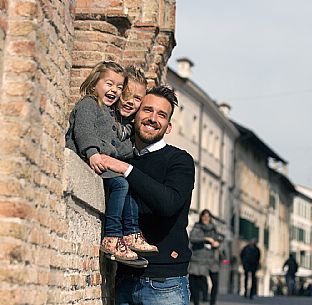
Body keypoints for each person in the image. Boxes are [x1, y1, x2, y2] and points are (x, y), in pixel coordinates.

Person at [100, 85, 196, 305]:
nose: (153, 118)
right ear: (135, 116)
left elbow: (168, 204)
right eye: (147, 110)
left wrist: (125, 169)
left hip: (166, 283)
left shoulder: (180, 160)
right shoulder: (124, 159)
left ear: (168, 126)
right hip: (124, 279)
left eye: (161, 115)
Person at [65, 62, 156, 263]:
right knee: (121, 183)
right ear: (95, 82)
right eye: (125, 93)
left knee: (130, 180)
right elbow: (85, 130)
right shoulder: (91, 104)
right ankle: (113, 235)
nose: (129, 100)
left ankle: (131, 232)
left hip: (103, 165)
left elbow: (120, 150)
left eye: (137, 98)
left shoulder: (124, 125)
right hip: (89, 160)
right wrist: (92, 152)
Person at [188, 209, 224, 305]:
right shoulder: (197, 228)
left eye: (208, 216)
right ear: (201, 217)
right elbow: (192, 238)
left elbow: (219, 238)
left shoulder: (214, 229)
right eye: (204, 216)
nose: (206, 218)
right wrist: (205, 239)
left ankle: (212, 302)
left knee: (215, 282)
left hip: (212, 260)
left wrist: (217, 243)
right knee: (196, 283)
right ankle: (196, 302)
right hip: (198, 260)